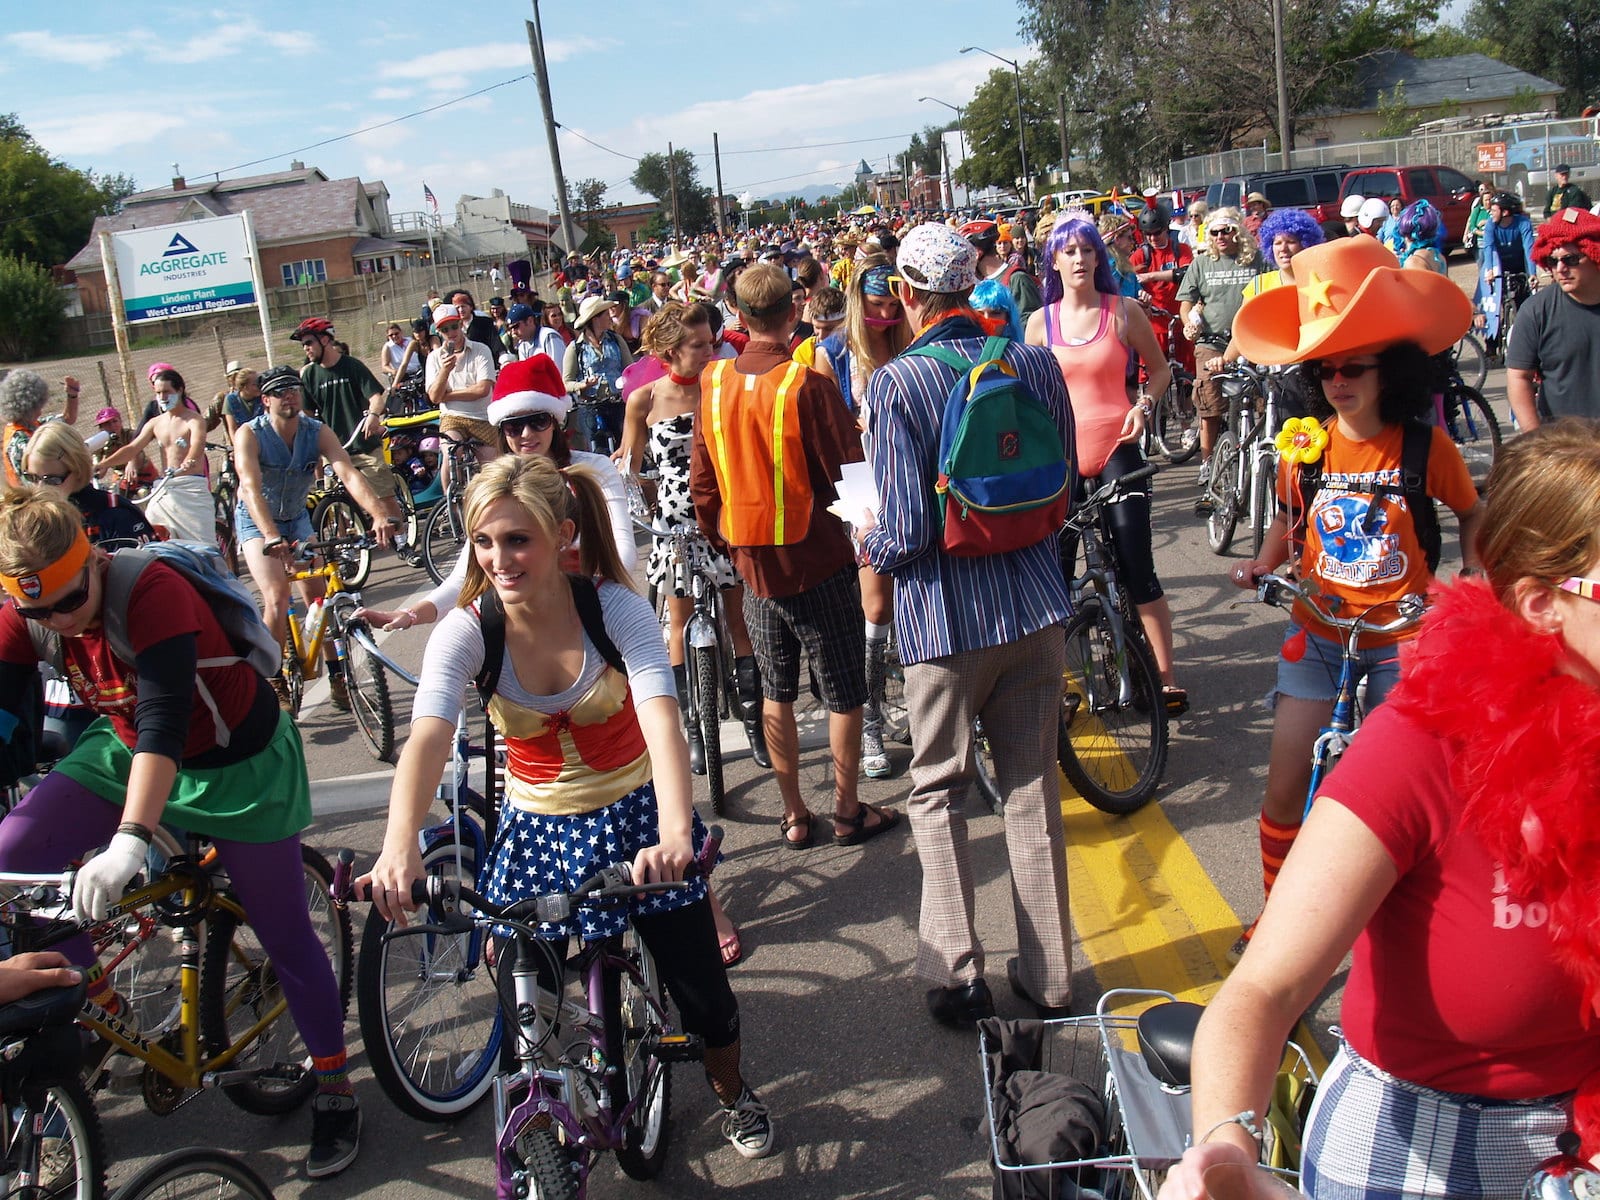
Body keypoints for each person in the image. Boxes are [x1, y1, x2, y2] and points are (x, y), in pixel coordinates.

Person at [1160, 421, 1600, 1200]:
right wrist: (1227, 1145)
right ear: (1541, 604)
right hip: (1422, 1156)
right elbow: (1261, 993)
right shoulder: (1423, 749)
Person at [361, 453, 776, 1159]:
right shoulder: (469, 629)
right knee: (533, 1005)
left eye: (518, 540)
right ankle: (550, 1111)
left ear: (561, 535)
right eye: (484, 542)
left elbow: (660, 718)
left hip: (637, 816)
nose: (499, 559)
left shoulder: (613, 608)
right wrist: (399, 842)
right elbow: (427, 738)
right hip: (535, 834)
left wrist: (676, 829)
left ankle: (733, 1092)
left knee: (704, 996)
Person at [0, 488, 362, 1178]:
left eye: (67, 603)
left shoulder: (150, 590)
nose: (56, 622)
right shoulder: (33, 614)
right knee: (15, 854)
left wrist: (130, 840)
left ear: (93, 563)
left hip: (235, 763)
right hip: (127, 748)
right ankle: (98, 1014)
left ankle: (337, 1089)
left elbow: (165, 720)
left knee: (283, 931)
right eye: (34, 611)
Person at [1221, 236, 1484, 963]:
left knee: (1402, 803)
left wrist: (1474, 585)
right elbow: (1285, 520)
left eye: (1355, 368)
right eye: (1327, 369)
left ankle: (1407, 935)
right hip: (1320, 634)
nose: (1339, 382)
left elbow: (1471, 515)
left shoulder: (1428, 450)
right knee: (1283, 790)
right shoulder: (1303, 446)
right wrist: (1262, 564)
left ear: (1389, 372)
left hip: (1404, 640)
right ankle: (1276, 917)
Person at [861, 221, 1075, 1029]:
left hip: (946, 624)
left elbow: (908, 532)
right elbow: (1063, 483)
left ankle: (956, 973)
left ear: (909, 297)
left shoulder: (897, 386)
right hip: (1035, 604)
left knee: (939, 793)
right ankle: (1050, 976)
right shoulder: (1032, 362)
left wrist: (865, 536)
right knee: (1030, 789)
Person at [691, 263, 900, 853]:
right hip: (817, 561)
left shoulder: (713, 382)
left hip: (752, 567)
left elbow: (703, 481)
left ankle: (793, 814)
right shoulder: (805, 385)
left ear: (737, 315)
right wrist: (871, 537)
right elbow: (851, 471)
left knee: (776, 692)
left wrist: (724, 540)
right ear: (794, 312)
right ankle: (846, 809)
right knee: (842, 690)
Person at [1028, 215, 1186, 713]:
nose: (1079, 259)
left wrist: (1143, 407)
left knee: (1138, 564)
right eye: (1069, 251)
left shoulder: (1123, 310)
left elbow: (1159, 372)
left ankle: (1165, 678)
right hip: (1062, 459)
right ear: (1053, 260)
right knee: (1051, 573)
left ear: (1099, 257)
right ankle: (1051, 689)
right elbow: (1027, 395)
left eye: (1087, 250)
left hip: (1118, 445)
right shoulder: (1039, 323)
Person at [618, 303, 771, 789]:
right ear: (670, 351)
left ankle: (754, 726)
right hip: (676, 525)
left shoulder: (723, 381)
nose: (712, 350)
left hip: (724, 521)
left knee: (738, 621)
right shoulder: (643, 399)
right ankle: (694, 731)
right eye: (700, 345)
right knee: (677, 625)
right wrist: (632, 480)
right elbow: (632, 461)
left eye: (712, 341)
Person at [234, 366, 395, 711]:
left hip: (296, 518)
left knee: (319, 600)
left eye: (294, 388)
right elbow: (249, 488)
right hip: (257, 521)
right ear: (265, 400)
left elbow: (347, 473)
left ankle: (338, 675)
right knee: (277, 595)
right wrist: (271, 535)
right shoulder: (250, 434)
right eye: (280, 391)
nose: (289, 395)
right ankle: (273, 679)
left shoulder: (316, 430)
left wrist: (379, 513)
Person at [811, 257, 915, 780]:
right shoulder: (832, 353)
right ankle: (870, 718)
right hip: (865, 487)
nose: (885, 312)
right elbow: (830, 435)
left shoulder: (911, 336)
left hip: (914, 479)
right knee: (875, 607)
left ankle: (924, 701)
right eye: (876, 304)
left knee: (919, 596)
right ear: (857, 301)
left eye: (893, 303)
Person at [1177, 207, 1261, 508]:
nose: (1221, 237)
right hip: (1211, 343)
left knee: (1259, 404)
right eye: (1215, 232)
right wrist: (1189, 321)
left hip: (1251, 340)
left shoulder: (1255, 259)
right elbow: (1185, 303)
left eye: (1226, 230)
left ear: (1237, 231)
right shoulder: (1202, 263)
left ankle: (1257, 466)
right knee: (1209, 406)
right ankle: (1209, 464)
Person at [293, 317, 408, 537]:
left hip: (363, 444)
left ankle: (402, 539)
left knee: (384, 495)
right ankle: (344, 546)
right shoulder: (308, 374)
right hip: (333, 449)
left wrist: (373, 415)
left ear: (325, 340)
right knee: (333, 498)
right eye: (304, 344)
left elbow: (376, 397)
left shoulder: (352, 366)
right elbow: (307, 414)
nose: (306, 348)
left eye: (309, 342)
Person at [1507, 206, 1600, 427]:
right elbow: (1519, 377)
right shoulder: (1536, 311)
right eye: (1551, 260)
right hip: (1563, 448)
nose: (1560, 268)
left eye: (1571, 259)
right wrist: (1535, 442)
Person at [97, 368, 210, 543]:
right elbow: (132, 448)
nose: (162, 397)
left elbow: (197, 445)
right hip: (165, 487)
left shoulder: (194, 420)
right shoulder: (155, 423)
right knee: (153, 532)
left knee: (204, 546)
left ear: (179, 390)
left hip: (191, 487)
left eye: (167, 392)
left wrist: (188, 461)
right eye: (158, 393)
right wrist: (103, 464)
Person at [23, 423, 156, 548]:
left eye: (51, 480)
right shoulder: (33, 518)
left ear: (78, 470)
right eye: (31, 478)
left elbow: (140, 570)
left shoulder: (114, 515)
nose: (40, 488)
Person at [425, 308, 499, 490]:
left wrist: (448, 396)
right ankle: (452, 506)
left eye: (454, 326)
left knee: (494, 468)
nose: (451, 333)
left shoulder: (481, 350)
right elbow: (434, 397)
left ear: (461, 324)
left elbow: (483, 389)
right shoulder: (434, 358)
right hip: (453, 417)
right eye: (445, 330)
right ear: (439, 333)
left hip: (482, 417)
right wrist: (444, 371)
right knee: (451, 455)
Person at [562, 295, 635, 453]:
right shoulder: (576, 348)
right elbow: (566, 382)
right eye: (605, 313)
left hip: (617, 405)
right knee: (599, 453)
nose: (610, 315)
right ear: (595, 319)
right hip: (591, 409)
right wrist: (583, 385)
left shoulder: (616, 340)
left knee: (626, 450)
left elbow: (630, 369)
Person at [1474, 191, 1537, 357]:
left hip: (1518, 266)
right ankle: (1491, 345)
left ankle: (1527, 343)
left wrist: (1532, 274)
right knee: (1491, 305)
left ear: (1505, 212)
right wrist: (1490, 272)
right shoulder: (1490, 225)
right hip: (1495, 267)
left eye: (1494, 210)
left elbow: (1529, 249)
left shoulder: (1523, 223)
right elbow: (1488, 248)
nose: (1491, 213)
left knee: (1524, 305)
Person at [1, 370, 80, 490]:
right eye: (36, 406)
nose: (41, 410)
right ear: (25, 409)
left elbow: (67, 418)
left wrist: (72, 395)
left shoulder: (32, 424)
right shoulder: (18, 441)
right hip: (30, 500)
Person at [961, 219, 1043, 322]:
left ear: (977, 253)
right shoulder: (976, 284)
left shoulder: (1017, 279)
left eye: (965, 253)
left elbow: (1031, 324)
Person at [219, 368, 264, 440]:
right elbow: (233, 429)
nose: (260, 386)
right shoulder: (231, 400)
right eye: (255, 384)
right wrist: (238, 448)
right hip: (244, 440)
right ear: (244, 387)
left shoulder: (263, 397)